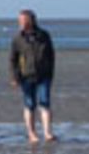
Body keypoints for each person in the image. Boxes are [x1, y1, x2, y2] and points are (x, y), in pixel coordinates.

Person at [11, 9, 59, 143]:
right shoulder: (18, 38)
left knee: (45, 103)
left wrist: (50, 73)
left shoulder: (43, 35)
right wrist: (14, 77)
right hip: (26, 75)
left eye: (23, 20)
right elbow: (13, 59)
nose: (20, 23)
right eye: (19, 20)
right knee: (29, 104)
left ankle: (48, 132)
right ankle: (31, 134)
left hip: (44, 75)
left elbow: (51, 55)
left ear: (30, 21)